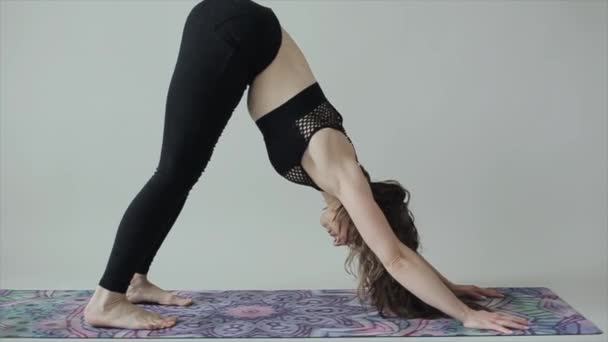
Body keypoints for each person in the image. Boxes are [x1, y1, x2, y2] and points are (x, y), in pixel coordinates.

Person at [83, 0, 531, 334]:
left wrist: (449, 285)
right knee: (175, 172)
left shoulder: (337, 176)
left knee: (182, 171)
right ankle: (107, 299)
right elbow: (394, 256)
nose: (340, 241)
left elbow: (395, 251)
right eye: (353, 234)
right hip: (236, 29)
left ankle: (135, 279)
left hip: (244, 32)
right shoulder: (345, 175)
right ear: (361, 212)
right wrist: (467, 315)